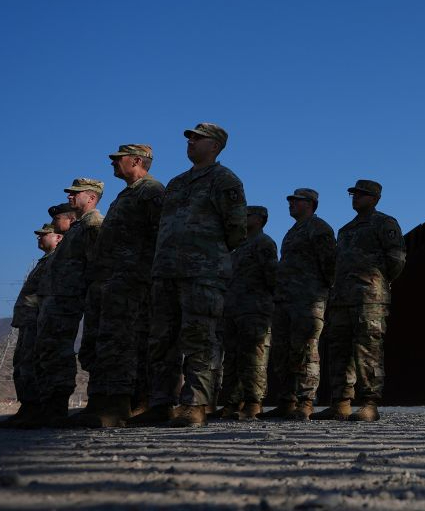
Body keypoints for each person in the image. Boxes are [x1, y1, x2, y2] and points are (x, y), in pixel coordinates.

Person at [131, 123, 246, 428]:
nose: (191, 142)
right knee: (162, 339)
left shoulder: (225, 180)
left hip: (202, 273)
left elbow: (236, 230)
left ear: (216, 146)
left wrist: (207, 255)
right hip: (166, 272)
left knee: (199, 338)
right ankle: (161, 403)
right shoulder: (177, 183)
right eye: (190, 138)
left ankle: (194, 405)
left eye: (198, 138)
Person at [66, 144, 164, 428]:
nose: (112, 164)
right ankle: (100, 401)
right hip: (112, 280)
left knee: (123, 341)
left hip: (133, 278)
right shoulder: (126, 194)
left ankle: (120, 404)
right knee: (106, 341)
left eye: (117, 159)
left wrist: (146, 275)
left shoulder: (152, 191)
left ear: (136, 161)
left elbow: (160, 234)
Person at [313, 180, 405, 422]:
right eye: (353, 194)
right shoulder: (345, 230)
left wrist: (377, 282)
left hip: (370, 299)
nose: (356, 198)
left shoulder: (385, 223)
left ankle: (369, 403)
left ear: (375, 199)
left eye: (362, 194)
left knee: (368, 349)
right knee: (339, 350)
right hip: (342, 299)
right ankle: (340, 403)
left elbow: (396, 258)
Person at [24, 178, 105, 428]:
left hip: (71, 298)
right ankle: (46, 407)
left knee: (58, 350)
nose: (70, 197)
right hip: (57, 297)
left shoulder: (93, 225)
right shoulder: (78, 227)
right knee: (48, 350)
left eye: (75, 194)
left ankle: (56, 407)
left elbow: (96, 264)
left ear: (90, 198)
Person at [262, 188, 335, 420]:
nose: (291, 204)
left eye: (296, 201)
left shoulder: (319, 228)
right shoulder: (292, 232)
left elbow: (329, 265)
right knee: (283, 352)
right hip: (285, 301)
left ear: (310, 204)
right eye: (291, 200)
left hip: (307, 299)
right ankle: (287, 401)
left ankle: (306, 401)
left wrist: (319, 293)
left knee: (305, 350)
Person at [0, 223, 63, 429]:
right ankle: (28, 408)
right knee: (22, 363)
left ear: (58, 238)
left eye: (44, 235)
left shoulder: (57, 261)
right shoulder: (44, 261)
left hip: (39, 320)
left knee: (32, 362)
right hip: (28, 320)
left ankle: (36, 409)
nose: (39, 238)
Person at [215, 205, 277, 421]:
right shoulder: (239, 247)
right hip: (234, 309)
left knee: (255, 356)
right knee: (232, 358)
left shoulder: (264, 243)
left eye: (248, 215)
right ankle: (232, 402)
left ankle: (253, 402)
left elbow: (272, 277)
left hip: (255, 309)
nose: (243, 218)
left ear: (260, 219)